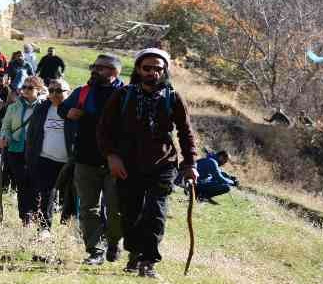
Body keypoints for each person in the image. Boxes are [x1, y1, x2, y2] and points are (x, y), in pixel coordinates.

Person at [97, 47, 198, 278]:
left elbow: (185, 132)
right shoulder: (123, 95)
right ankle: (134, 253)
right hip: (127, 164)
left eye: (157, 68)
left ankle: (149, 261)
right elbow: (104, 129)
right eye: (147, 68)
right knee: (130, 212)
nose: (152, 72)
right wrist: (111, 156)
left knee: (155, 212)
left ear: (164, 71)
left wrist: (190, 163)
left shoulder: (173, 97)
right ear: (138, 69)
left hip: (163, 164)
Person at [58, 54, 124, 265]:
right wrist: (69, 111)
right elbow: (62, 108)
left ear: (114, 72)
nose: (95, 71)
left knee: (117, 208)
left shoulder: (127, 94)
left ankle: (114, 242)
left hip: (116, 162)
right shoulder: (82, 92)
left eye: (101, 68)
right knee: (88, 208)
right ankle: (95, 250)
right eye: (94, 67)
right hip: (85, 160)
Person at [25, 79, 72, 235]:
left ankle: (73, 228)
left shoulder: (74, 110)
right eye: (51, 90)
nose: (53, 94)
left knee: (71, 195)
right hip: (45, 158)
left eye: (58, 91)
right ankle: (44, 228)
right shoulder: (43, 108)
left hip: (68, 161)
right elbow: (32, 133)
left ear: (68, 92)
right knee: (46, 193)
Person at [0, 76, 47, 226]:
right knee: (21, 183)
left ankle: (35, 213)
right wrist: (5, 137)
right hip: (16, 148)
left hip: (37, 150)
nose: (25, 90)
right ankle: (25, 217)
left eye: (29, 88)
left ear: (38, 90)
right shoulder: (13, 106)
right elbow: (6, 127)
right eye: (24, 87)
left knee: (35, 183)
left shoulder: (44, 107)